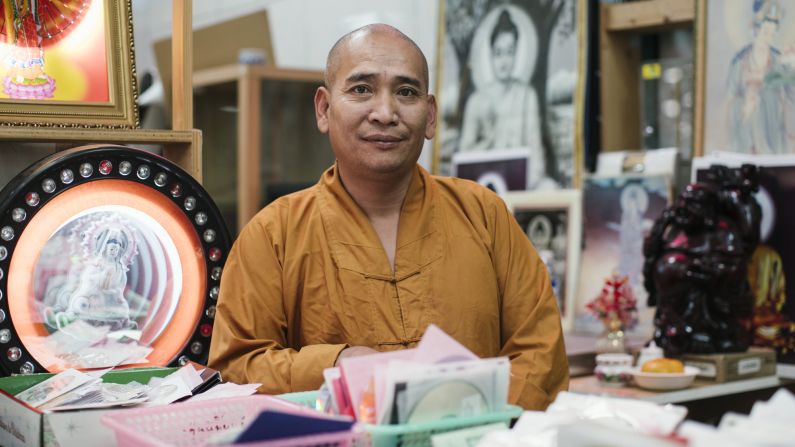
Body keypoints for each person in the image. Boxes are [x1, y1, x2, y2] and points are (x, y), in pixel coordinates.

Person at [208, 24, 568, 410]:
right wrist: (336, 363)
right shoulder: (272, 234)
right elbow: (236, 369)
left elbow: (540, 352)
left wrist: (472, 412)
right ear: (324, 109)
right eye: (362, 89)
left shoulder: (484, 215)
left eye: (406, 92)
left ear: (429, 117)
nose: (385, 113)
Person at [458, 9, 548, 188]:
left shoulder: (526, 95)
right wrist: (488, 141)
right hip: (482, 185)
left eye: (510, 52)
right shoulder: (477, 101)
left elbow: (536, 152)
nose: (504, 60)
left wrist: (527, 184)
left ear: (517, 54)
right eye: (499, 53)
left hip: (523, 182)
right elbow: (464, 156)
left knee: (549, 188)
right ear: (490, 55)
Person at [726, 0, 795, 154]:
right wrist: (746, 104)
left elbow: (792, 97)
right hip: (745, 131)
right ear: (756, 29)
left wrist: (792, 71)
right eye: (765, 30)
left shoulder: (779, 60)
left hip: (773, 133)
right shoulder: (739, 62)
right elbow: (729, 101)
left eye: (772, 31)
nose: (768, 36)